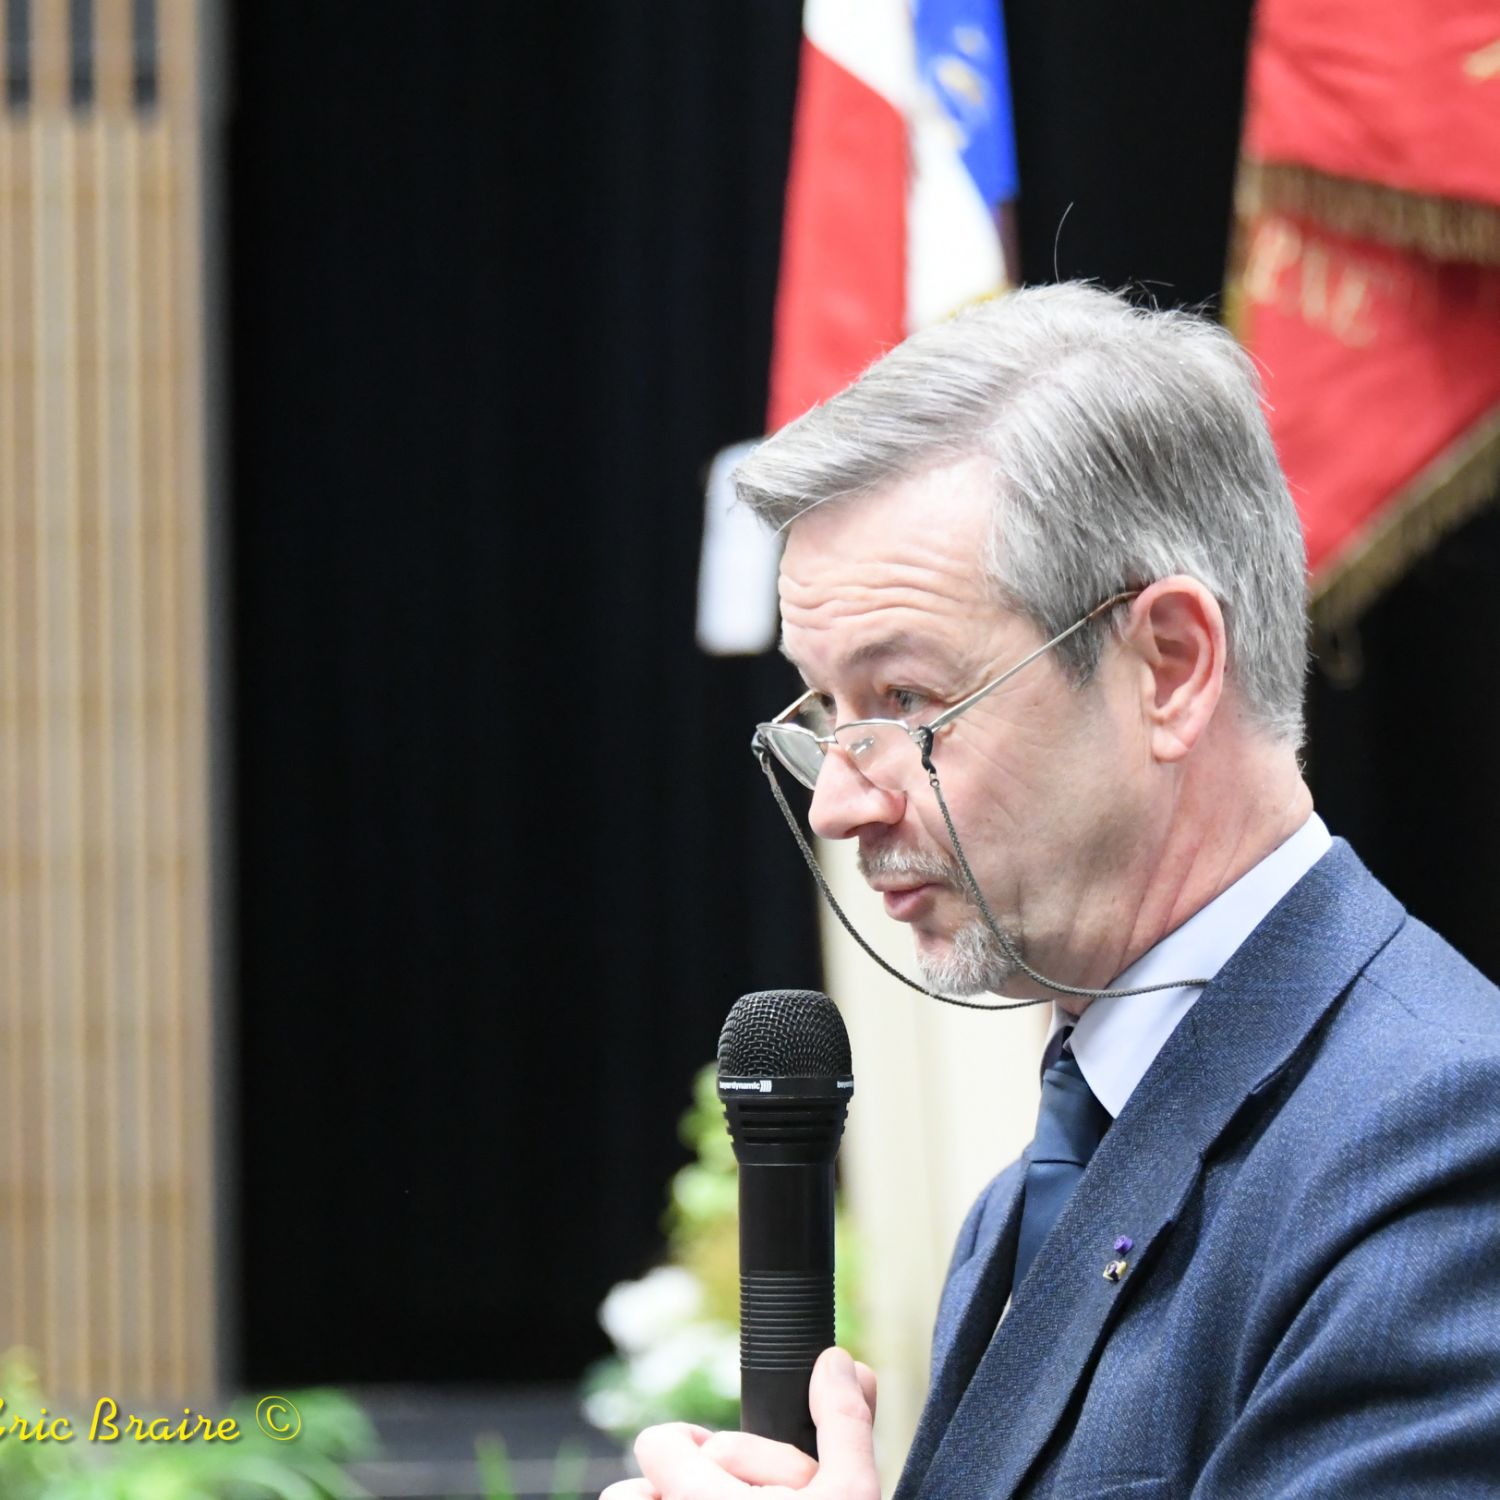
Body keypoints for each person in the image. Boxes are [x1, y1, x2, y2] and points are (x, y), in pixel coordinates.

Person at [603, 284, 1500, 1499]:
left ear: (1170, 666)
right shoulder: (1039, 1182)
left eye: (906, 701)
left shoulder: (1447, 1148)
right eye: (826, 713)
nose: (838, 804)